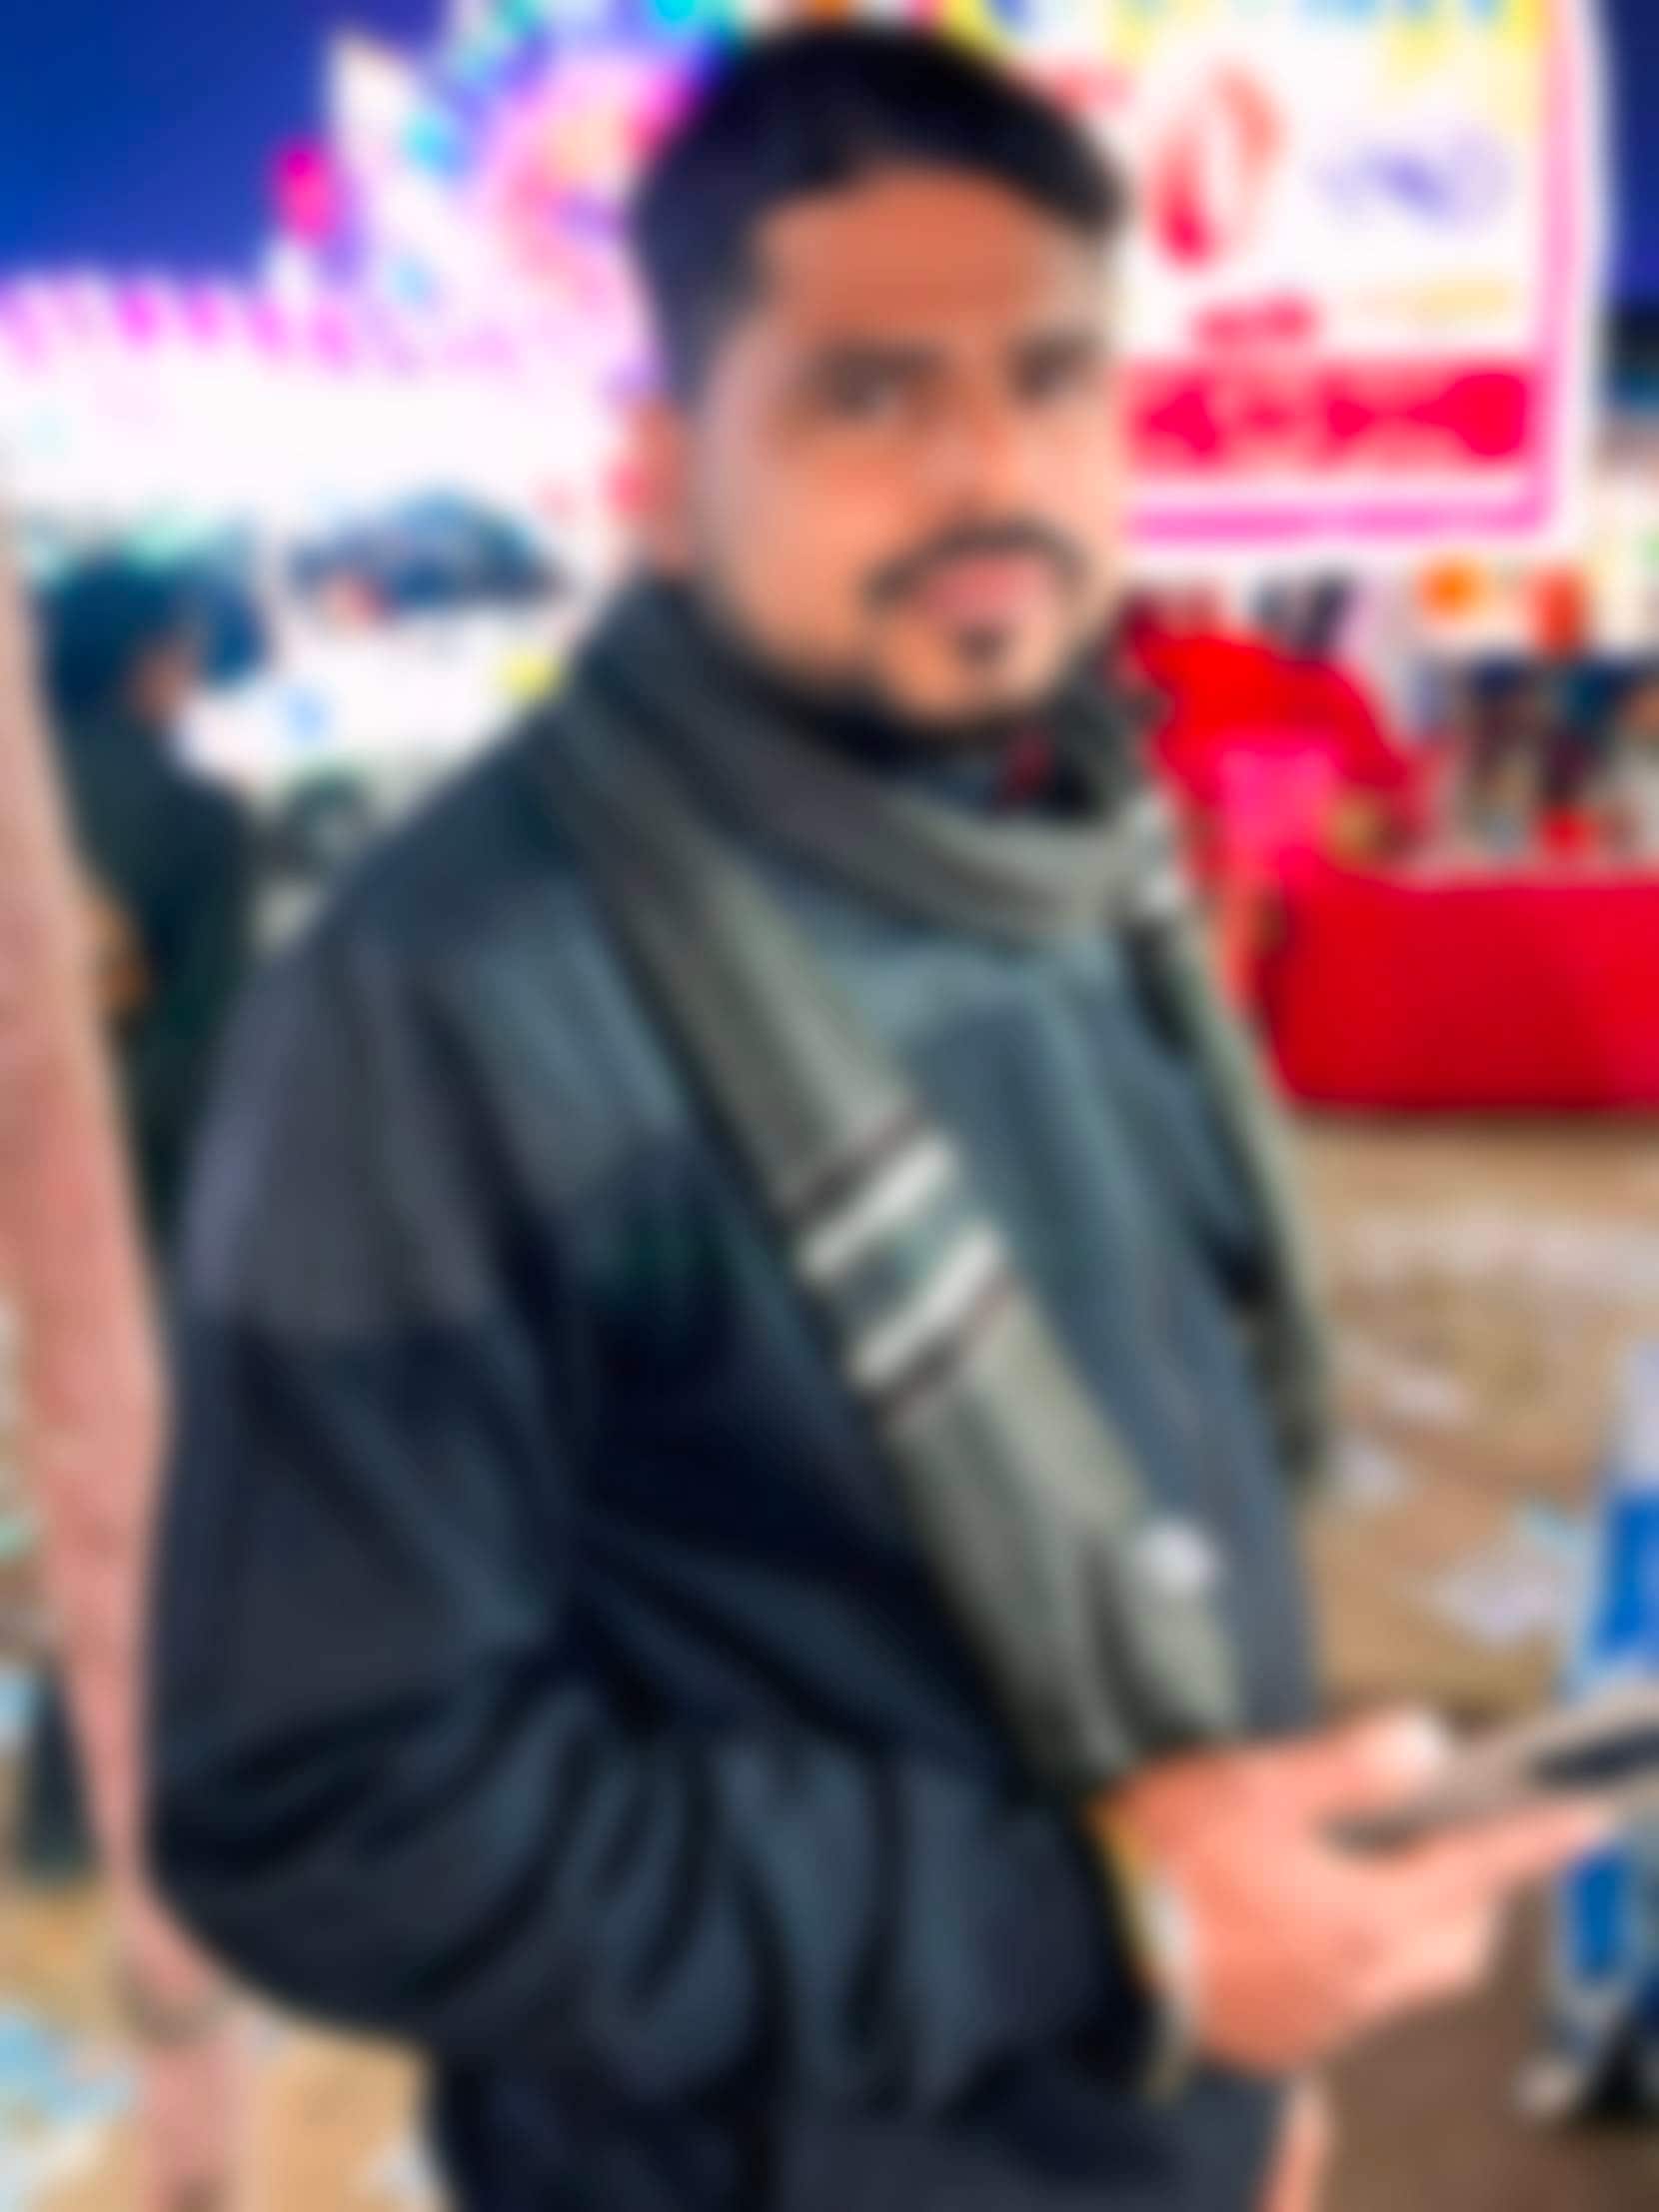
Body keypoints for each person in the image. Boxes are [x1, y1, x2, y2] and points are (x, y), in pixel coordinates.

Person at [149, 30, 1604, 2212]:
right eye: (866, 394)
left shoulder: (1069, 839)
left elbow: (1155, 1489)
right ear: (659, 474)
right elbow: (321, 1808)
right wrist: (1118, 1930)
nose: (991, 468)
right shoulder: (449, 1002)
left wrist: (1232, 2073)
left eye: (1055, 378)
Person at [20, 558, 253, 1880]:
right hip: (114, 1201)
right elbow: (202, 1056)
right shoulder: (197, 819)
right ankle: (74, 1802)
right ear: (153, 659)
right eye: (185, 647)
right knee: (119, 1484)